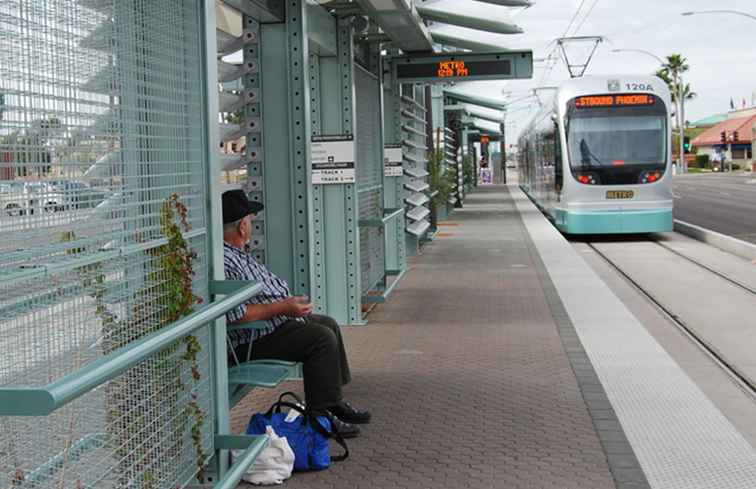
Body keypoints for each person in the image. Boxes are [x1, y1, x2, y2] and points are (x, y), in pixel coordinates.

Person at [221, 189, 370, 438]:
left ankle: (332, 402)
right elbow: (238, 315)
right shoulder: (226, 261)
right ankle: (321, 417)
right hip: (251, 339)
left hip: (271, 325)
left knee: (328, 324)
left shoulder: (237, 253)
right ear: (241, 227)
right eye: (250, 220)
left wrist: (287, 306)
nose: (252, 225)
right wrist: (283, 307)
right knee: (320, 338)